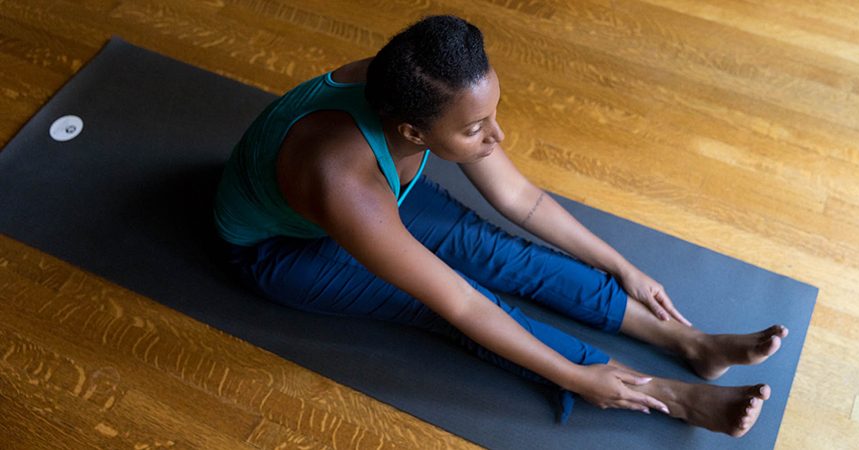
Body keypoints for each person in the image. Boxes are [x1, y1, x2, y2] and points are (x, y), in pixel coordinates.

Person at [212, 15, 788, 437]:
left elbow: (521, 200)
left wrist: (622, 266)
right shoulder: (340, 178)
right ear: (414, 133)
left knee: (494, 249)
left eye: (493, 114)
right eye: (476, 129)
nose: (497, 138)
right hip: (281, 249)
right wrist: (574, 376)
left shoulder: (415, 85)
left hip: (379, 197)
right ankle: (668, 395)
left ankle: (688, 341)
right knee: (443, 304)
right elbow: (462, 304)